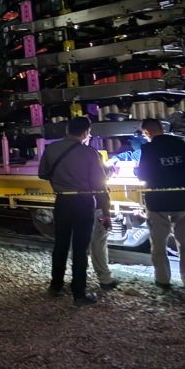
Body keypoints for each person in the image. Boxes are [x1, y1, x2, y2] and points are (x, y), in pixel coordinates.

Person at [39, 116, 115, 305]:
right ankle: (79, 293)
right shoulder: (90, 153)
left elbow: (42, 173)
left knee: (60, 245)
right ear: (86, 132)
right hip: (83, 203)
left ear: (67, 130)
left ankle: (55, 285)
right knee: (80, 249)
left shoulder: (52, 149)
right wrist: (106, 211)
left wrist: (60, 179)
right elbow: (99, 186)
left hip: (62, 202)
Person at [135, 118, 185, 291]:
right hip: (181, 200)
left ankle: (163, 280)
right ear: (161, 128)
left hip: (158, 202)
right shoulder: (180, 144)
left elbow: (142, 174)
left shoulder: (148, 148)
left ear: (147, 133)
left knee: (158, 244)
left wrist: (136, 171)